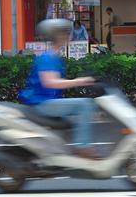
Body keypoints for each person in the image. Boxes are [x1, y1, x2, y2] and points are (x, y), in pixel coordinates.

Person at [20, 19, 100, 158]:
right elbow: (51, 83)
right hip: (41, 103)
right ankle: (82, 147)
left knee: (76, 113)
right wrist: (78, 81)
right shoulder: (48, 57)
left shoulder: (53, 56)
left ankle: (61, 152)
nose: (67, 36)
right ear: (57, 37)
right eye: (64, 34)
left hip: (47, 101)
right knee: (85, 105)